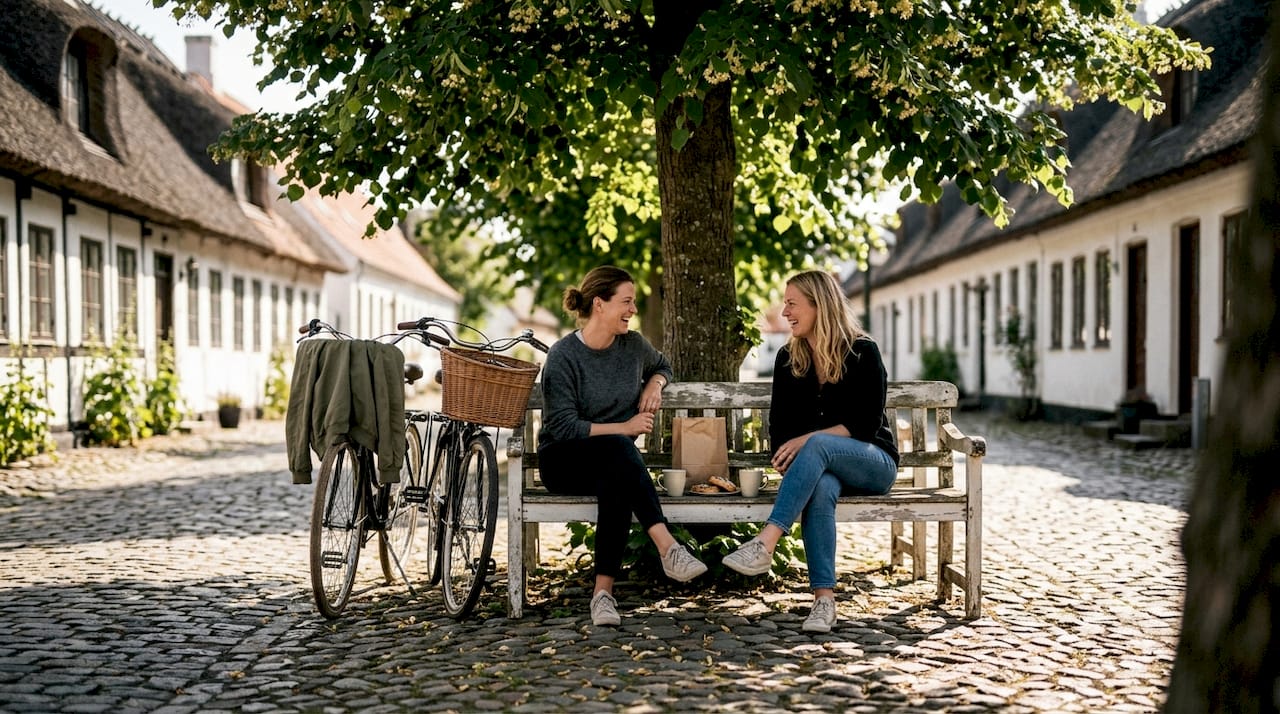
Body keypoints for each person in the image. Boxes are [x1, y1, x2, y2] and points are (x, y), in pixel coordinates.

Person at [722, 270, 899, 633]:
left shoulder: (863, 352)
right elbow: (780, 431)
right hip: (820, 470)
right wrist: (799, 452)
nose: (784, 312)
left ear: (820, 306)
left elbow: (864, 426)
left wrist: (806, 442)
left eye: (792, 304)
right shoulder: (789, 359)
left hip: (873, 463)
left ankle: (766, 542)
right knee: (819, 489)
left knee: (817, 443)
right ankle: (824, 602)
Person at [538, 265, 708, 626]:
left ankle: (603, 596)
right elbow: (564, 427)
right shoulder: (564, 356)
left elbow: (664, 365)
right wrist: (626, 427)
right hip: (564, 461)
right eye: (626, 302)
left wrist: (655, 384)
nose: (632, 309)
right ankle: (667, 546)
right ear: (599, 304)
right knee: (618, 449)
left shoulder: (633, 347)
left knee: (616, 482)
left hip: (615, 463)